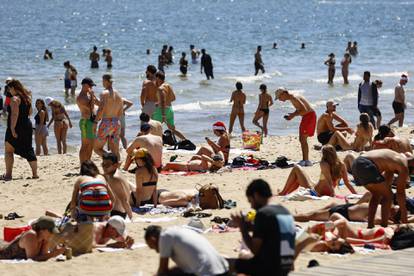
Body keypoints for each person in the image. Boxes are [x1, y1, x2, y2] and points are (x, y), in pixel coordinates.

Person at [230, 179, 295, 276]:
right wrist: (251, 227)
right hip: (286, 267)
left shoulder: (263, 213)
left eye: (250, 201)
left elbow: (254, 250)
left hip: (269, 269)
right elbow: (272, 231)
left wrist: (242, 228)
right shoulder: (284, 211)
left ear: (256, 195)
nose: (251, 206)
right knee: (245, 258)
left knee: (227, 264)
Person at [349, 149, 414, 227]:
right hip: (366, 165)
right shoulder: (403, 165)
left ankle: (370, 225)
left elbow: (387, 183)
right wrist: (404, 215)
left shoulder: (394, 159)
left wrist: (393, 207)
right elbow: (400, 193)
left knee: (377, 194)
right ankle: (384, 225)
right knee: (388, 195)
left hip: (356, 164)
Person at [145, 225, 229, 276]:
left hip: (208, 273)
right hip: (224, 269)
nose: (157, 251)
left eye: (153, 247)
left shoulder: (164, 236)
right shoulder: (178, 230)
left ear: (153, 239)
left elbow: (163, 270)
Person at [278, 145, 356, 196]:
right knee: (298, 179)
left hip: (316, 191)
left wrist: (333, 194)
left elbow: (329, 181)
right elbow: (347, 183)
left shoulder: (324, 164)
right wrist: (355, 194)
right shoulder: (341, 164)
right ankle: (286, 193)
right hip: (325, 190)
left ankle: (283, 192)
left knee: (297, 168)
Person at [1, 80, 38, 181]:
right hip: (27, 125)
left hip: (16, 126)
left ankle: (8, 175)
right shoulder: (27, 98)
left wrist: (12, 128)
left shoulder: (14, 99)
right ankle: (35, 174)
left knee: (8, 150)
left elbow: (14, 114)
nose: (9, 91)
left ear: (13, 88)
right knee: (28, 149)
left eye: (9, 88)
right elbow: (30, 113)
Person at [275, 88, 316, 166]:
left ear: (284, 94)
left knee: (302, 138)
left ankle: (306, 160)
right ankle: (305, 160)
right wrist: (292, 115)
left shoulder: (294, 98)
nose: (280, 100)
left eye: (279, 97)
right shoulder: (293, 97)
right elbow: (300, 109)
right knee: (303, 138)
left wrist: (293, 115)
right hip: (308, 116)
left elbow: (305, 110)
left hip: (309, 116)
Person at [0, 216, 65, 261]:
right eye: (51, 231)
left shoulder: (43, 238)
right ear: (42, 230)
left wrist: (54, 251)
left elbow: (42, 256)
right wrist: (53, 254)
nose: (52, 234)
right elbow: (32, 259)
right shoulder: (31, 236)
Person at [94, 74, 123, 160]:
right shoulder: (118, 94)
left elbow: (101, 108)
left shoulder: (104, 93)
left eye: (103, 81)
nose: (102, 83)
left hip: (106, 123)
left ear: (106, 81)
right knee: (115, 149)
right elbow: (120, 111)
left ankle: (110, 159)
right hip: (116, 122)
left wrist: (96, 121)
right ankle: (117, 165)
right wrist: (98, 103)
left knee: (96, 148)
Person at [152, 71, 186, 140]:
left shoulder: (160, 88)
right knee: (173, 129)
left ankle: (156, 144)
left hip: (161, 111)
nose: (154, 80)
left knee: (153, 128)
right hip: (170, 110)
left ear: (158, 78)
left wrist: (163, 114)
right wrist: (160, 102)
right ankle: (186, 140)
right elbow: (173, 98)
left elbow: (163, 101)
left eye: (155, 78)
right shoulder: (168, 85)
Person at [102, 152, 133, 219]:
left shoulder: (114, 178)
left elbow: (124, 200)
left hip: (117, 213)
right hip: (120, 212)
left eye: (107, 165)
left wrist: (130, 217)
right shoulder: (117, 172)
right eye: (103, 164)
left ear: (115, 165)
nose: (104, 167)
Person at [76, 77, 98, 164]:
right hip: (85, 122)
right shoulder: (81, 97)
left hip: (92, 122)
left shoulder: (89, 95)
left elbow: (99, 103)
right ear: (85, 85)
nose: (91, 88)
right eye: (90, 86)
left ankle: (88, 164)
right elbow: (91, 107)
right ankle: (82, 165)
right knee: (85, 145)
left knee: (91, 145)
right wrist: (92, 96)